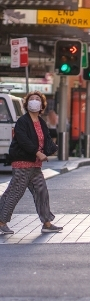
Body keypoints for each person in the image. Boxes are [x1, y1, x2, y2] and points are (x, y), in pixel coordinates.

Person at [0, 91, 61, 235]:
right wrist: (37, 152)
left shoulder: (41, 122)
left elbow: (46, 140)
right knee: (15, 193)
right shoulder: (22, 121)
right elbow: (23, 140)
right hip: (22, 163)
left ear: (41, 105)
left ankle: (47, 223)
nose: (34, 101)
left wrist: (53, 149)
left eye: (37, 99)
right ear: (27, 104)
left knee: (42, 192)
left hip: (35, 165)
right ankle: (2, 222)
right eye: (32, 99)